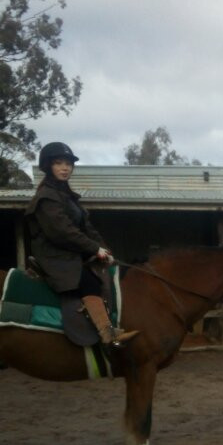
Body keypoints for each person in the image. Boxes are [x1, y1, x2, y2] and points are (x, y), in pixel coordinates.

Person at [24, 141, 138, 347]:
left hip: (70, 252)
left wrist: (104, 249)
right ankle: (107, 333)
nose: (65, 168)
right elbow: (62, 232)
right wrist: (94, 249)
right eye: (59, 163)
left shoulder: (68, 197)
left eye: (68, 164)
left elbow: (88, 229)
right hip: (54, 256)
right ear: (48, 166)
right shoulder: (46, 197)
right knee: (89, 281)